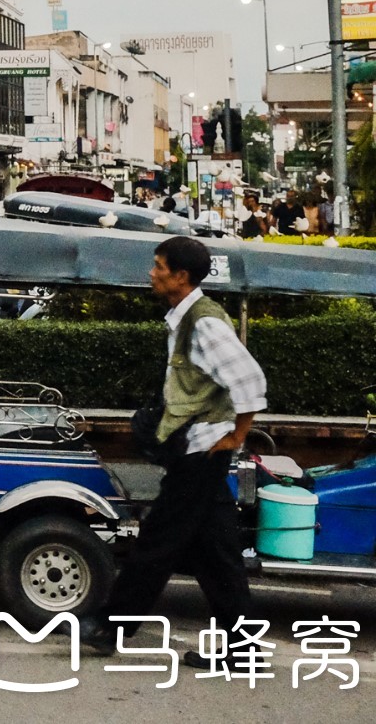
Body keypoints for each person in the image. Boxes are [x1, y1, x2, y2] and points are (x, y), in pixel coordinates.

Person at [88, 235, 266, 665]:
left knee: (158, 540)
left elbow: (251, 380)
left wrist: (236, 436)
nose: (152, 273)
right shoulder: (183, 317)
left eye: (158, 266)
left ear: (180, 276)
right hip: (200, 450)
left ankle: (110, 628)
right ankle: (242, 647)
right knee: (216, 551)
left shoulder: (203, 322)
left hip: (201, 453)